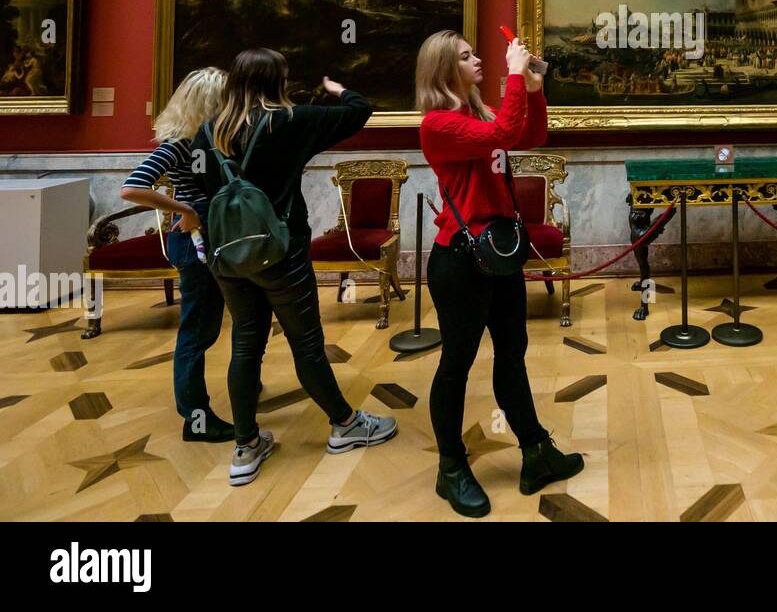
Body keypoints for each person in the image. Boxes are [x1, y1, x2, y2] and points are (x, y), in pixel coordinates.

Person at [191, 48, 398, 488]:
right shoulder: (288, 121)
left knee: (245, 345)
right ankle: (345, 425)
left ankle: (246, 447)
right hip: (281, 252)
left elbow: (197, 193)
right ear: (276, 81)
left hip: (227, 257)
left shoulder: (206, 134)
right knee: (306, 343)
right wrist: (339, 89)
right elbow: (358, 112)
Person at [416, 30, 583, 517]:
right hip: (459, 262)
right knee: (457, 364)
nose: (478, 60)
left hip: (500, 254)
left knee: (513, 356)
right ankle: (451, 469)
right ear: (446, 69)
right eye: (467, 57)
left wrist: (532, 88)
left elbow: (528, 137)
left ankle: (536, 452)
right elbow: (503, 136)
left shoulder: (477, 114)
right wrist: (514, 71)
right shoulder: (438, 125)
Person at [121, 67, 233, 442]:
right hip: (193, 243)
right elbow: (132, 189)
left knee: (207, 326)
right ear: (211, 103)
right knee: (196, 334)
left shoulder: (205, 140)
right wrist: (184, 210)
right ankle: (195, 419)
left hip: (210, 240)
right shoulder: (179, 144)